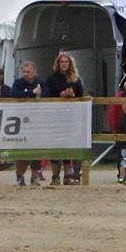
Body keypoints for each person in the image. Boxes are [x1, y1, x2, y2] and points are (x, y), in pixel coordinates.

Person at [46, 51, 85, 185]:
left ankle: (69, 175)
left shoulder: (76, 79)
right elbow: (47, 95)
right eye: (62, 62)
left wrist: (72, 94)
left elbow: (81, 94)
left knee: (69, 144)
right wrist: (60, 94)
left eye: (66, 62)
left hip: (71, 116)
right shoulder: (51, 78)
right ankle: (55, 176)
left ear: (70, 64)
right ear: (58, 63)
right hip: (56, 116)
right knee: (56, 145)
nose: (64, 64)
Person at [11, 61, 44, 186]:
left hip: (37, 120)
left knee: (36, 150)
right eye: (24, 72)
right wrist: (31, 93)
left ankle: (35, 175)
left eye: (28, 72)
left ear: (34, 72)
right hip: (21, 121)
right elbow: (14, 94)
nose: (25, 74)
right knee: (22, 150)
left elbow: (47, 94)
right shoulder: (18, 83)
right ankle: (20, 175)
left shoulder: (41, 82)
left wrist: (39, 93)